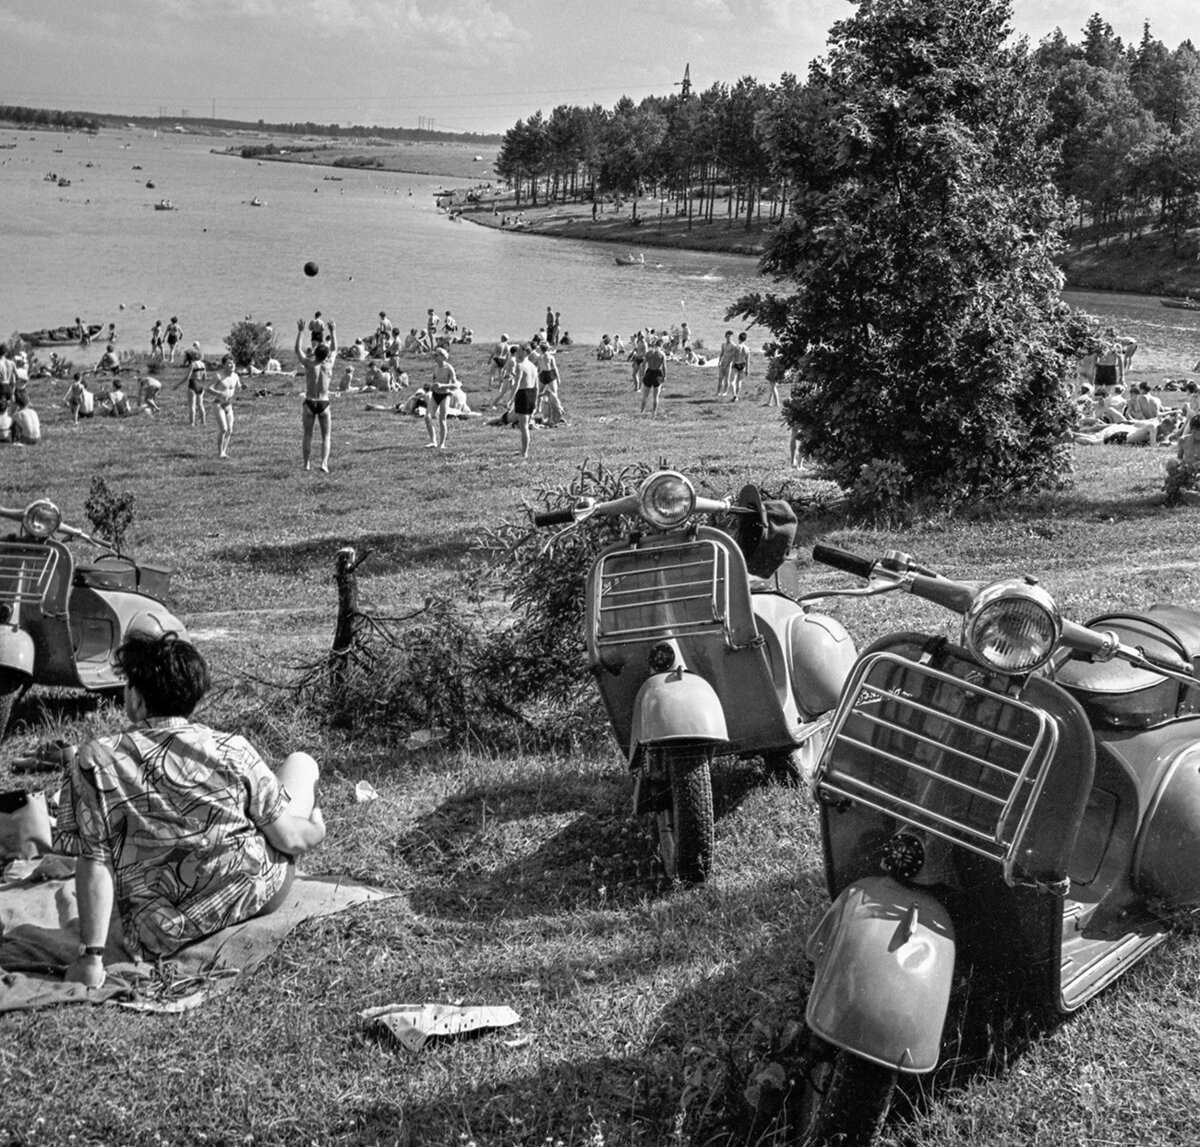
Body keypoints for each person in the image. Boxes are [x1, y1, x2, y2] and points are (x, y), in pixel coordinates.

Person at [53, 631, 325, 988]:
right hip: (251, 894)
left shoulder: (95, 759)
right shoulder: (233, 748)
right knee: (301, 763)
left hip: (157, 930)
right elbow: (290, 840)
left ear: (135, 697)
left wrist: (91, 959)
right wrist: (316, 827)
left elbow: (95, 860)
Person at [296, 317, 337, 472]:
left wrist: (300, 332)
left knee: (307, 435)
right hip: (324, 403)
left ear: (315, 353)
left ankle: (306, 463)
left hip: (310, 401)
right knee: (326, 436)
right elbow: (334, 349)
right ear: (325, 355)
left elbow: (297, 350)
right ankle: (324, 464)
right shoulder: (329, 364)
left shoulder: (309, 363)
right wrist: (333, 332)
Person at [206, 354, 240, 459]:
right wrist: (218, 393)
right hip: (218, 404)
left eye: (233, 363)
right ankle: (220, 452)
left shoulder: (235, 376)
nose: (232, 365)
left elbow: (238, 387)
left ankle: (224, 452)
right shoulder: (219, 376)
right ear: (224, 365)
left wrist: (243, 387)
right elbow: (208, 388)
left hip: (228, 404)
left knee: (230, 430)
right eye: (229, 363)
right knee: (224, 429)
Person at [425, 347, 460, 449]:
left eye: (437, 355)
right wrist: (430, 387)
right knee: (427, 417)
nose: (434, 357)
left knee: (442, 419)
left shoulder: (449, 368)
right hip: (435, 394)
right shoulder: (435, 368)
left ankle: (442, 443)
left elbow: (456, 385)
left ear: (443, 357)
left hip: (445, 395)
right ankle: (433, 441)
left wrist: (443, 386)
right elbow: (434, 382)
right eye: (434, 355)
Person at [512, 342, 538, 458]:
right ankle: (524, 450)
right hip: (531, 394)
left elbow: (517, 384)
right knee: (525, 425)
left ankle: (524, 452)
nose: (516, 352)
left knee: (524, 426)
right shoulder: (533, 366)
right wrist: (536, 402)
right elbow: (536, 386)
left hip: (523, 394)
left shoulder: (520, 365)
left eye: (518, 350)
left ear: (524, 352)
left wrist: (510, 399)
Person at [533, 342, 566, 426]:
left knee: (539, 393)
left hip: (543, 374)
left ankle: (538, 408)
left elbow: (535, 367)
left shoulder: (539, 357)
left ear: (541, 349)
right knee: (554, 393)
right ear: (548, 348)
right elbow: (554, 367)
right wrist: (558, 378)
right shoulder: (551, 357)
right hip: (550, 374)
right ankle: (556, 407)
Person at [176, 354, 208, 426]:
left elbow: (187, 377)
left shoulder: (192, 365)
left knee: (192, 406)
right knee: (200, 405)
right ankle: (203, 422)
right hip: (200, 384)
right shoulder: (203, 364)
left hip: (193, 384)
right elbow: (205, 376)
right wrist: (203, 384)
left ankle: (192, 423)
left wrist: (177, 385)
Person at [640, 338, 667, 415]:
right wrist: (664, 376)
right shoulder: (662, 354)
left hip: (649, 371)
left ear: (655, 344)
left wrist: (642, 374)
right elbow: (664, 367)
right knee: (656, 396)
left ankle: (642, 411)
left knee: (645, 395)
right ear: (661, 345)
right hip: (657, 372)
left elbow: (644, 364)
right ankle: (654, 412)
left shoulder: (649, 352)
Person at [729, 332, 750, 402]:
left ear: (738, 338)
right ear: (745, 339)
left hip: (736, 364)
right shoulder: (747, 349)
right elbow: (747, 361)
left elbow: (732, 356)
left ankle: (734, 395)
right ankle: (737, 396)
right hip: (743, 365)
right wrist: (747, 370)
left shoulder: (736, 347)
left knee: (732, 381)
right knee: (739, 381)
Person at [716, 330, 736, 398]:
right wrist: (719, 361)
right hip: (723, 362)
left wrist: (729, 363)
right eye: (728, 337)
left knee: (727, 378)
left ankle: (725, 392)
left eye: (730, 337)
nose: (729, 338)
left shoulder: (733, 346)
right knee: (720, 378)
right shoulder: (723, 345)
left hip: (729, 363)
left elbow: (733, 356)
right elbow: (722, 353)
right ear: (725, 337)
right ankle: (718, 391)